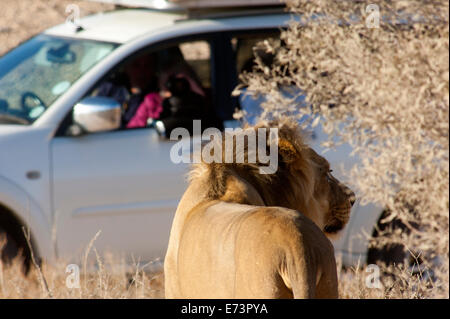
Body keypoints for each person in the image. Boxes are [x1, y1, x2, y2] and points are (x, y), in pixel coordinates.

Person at [95, 53, 159, 128]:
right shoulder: (111, 87)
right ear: (126, 67)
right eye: (136, 65)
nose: (141, 71)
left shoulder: (154, 97)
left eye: (147, 65)